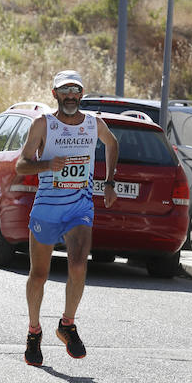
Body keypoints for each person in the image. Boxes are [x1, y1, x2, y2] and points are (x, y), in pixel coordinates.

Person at [15, 70, 119, 367]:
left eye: (76, 91)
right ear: (55, 94)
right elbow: (22, 166)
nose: (71, 96)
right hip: (47, 208)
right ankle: (34, 331)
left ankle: (67, 324)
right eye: (65, 91)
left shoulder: (92, 124)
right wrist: (47, 164)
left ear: (81, 95)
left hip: (79, 207)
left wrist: (109, 181)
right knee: (39, 274)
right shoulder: (43, 125)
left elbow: (111, 143)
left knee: (77, 264)